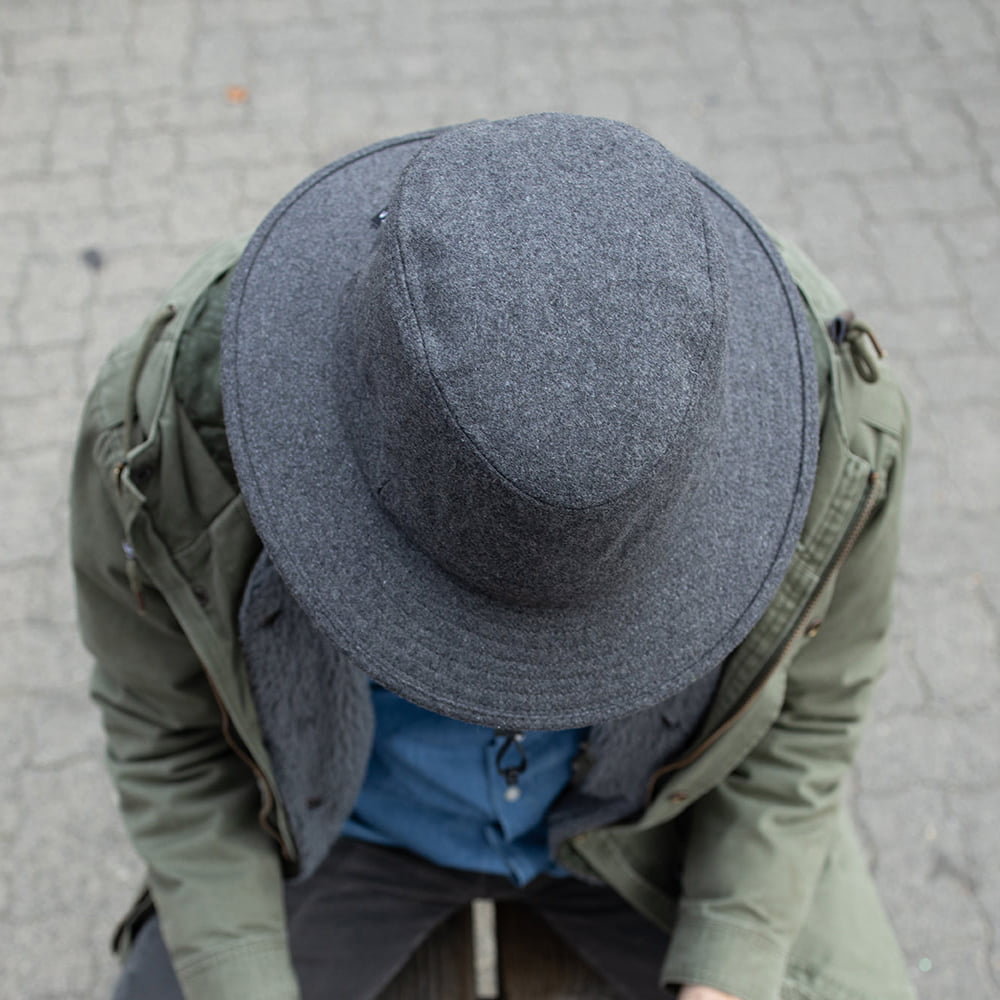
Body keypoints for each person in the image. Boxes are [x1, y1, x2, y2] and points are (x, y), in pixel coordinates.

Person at [71, 113, 915, 1000]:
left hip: (657, 821)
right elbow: (166, 730)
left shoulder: (838, 436)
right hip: (344, 832)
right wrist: (238, 973)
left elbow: (814, 709)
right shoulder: (167, 439)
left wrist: (730, 958)